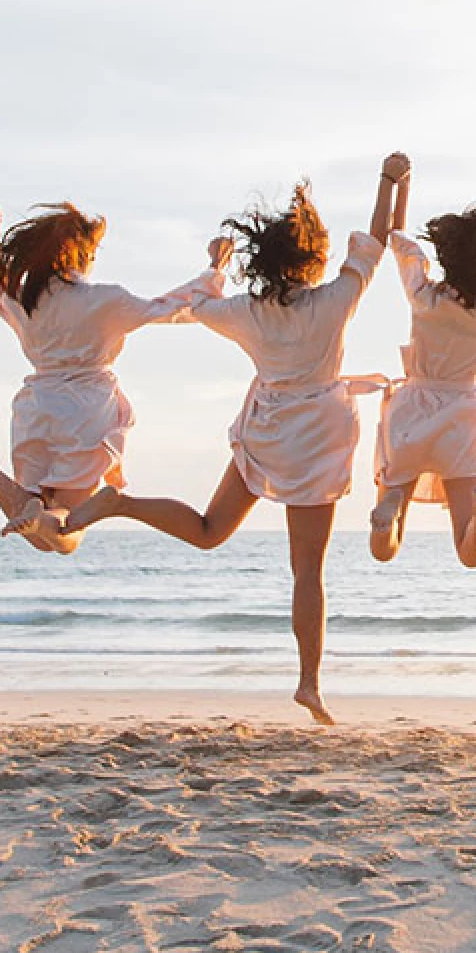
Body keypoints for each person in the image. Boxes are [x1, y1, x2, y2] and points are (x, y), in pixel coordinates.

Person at [66, 156, 406, 724]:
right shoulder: (335, 301)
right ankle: (309, 683)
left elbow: (198, 306)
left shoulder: (246, 312)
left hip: (268, 427)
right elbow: (374, 240)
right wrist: (392, 183)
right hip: (318, 434)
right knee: (308, 572)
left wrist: (213, 264)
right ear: (314, 259)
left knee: (208, 531)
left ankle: (120, 503)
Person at [0, 203, 227, 554]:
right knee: (68, 530)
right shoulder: (102, 299)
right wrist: (215, 269)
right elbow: (170, 308)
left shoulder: (27, 298)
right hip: (85, 410)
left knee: (43, 532)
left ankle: (2, 481)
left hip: (35, 408)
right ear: (81, 253)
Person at [368, 155, 476, 567]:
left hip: (413, 410)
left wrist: (401, 185)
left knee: (385, 548)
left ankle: (388, 515)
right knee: (470, 554)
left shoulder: (426, 297)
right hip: (464, 414)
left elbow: (397, 238)